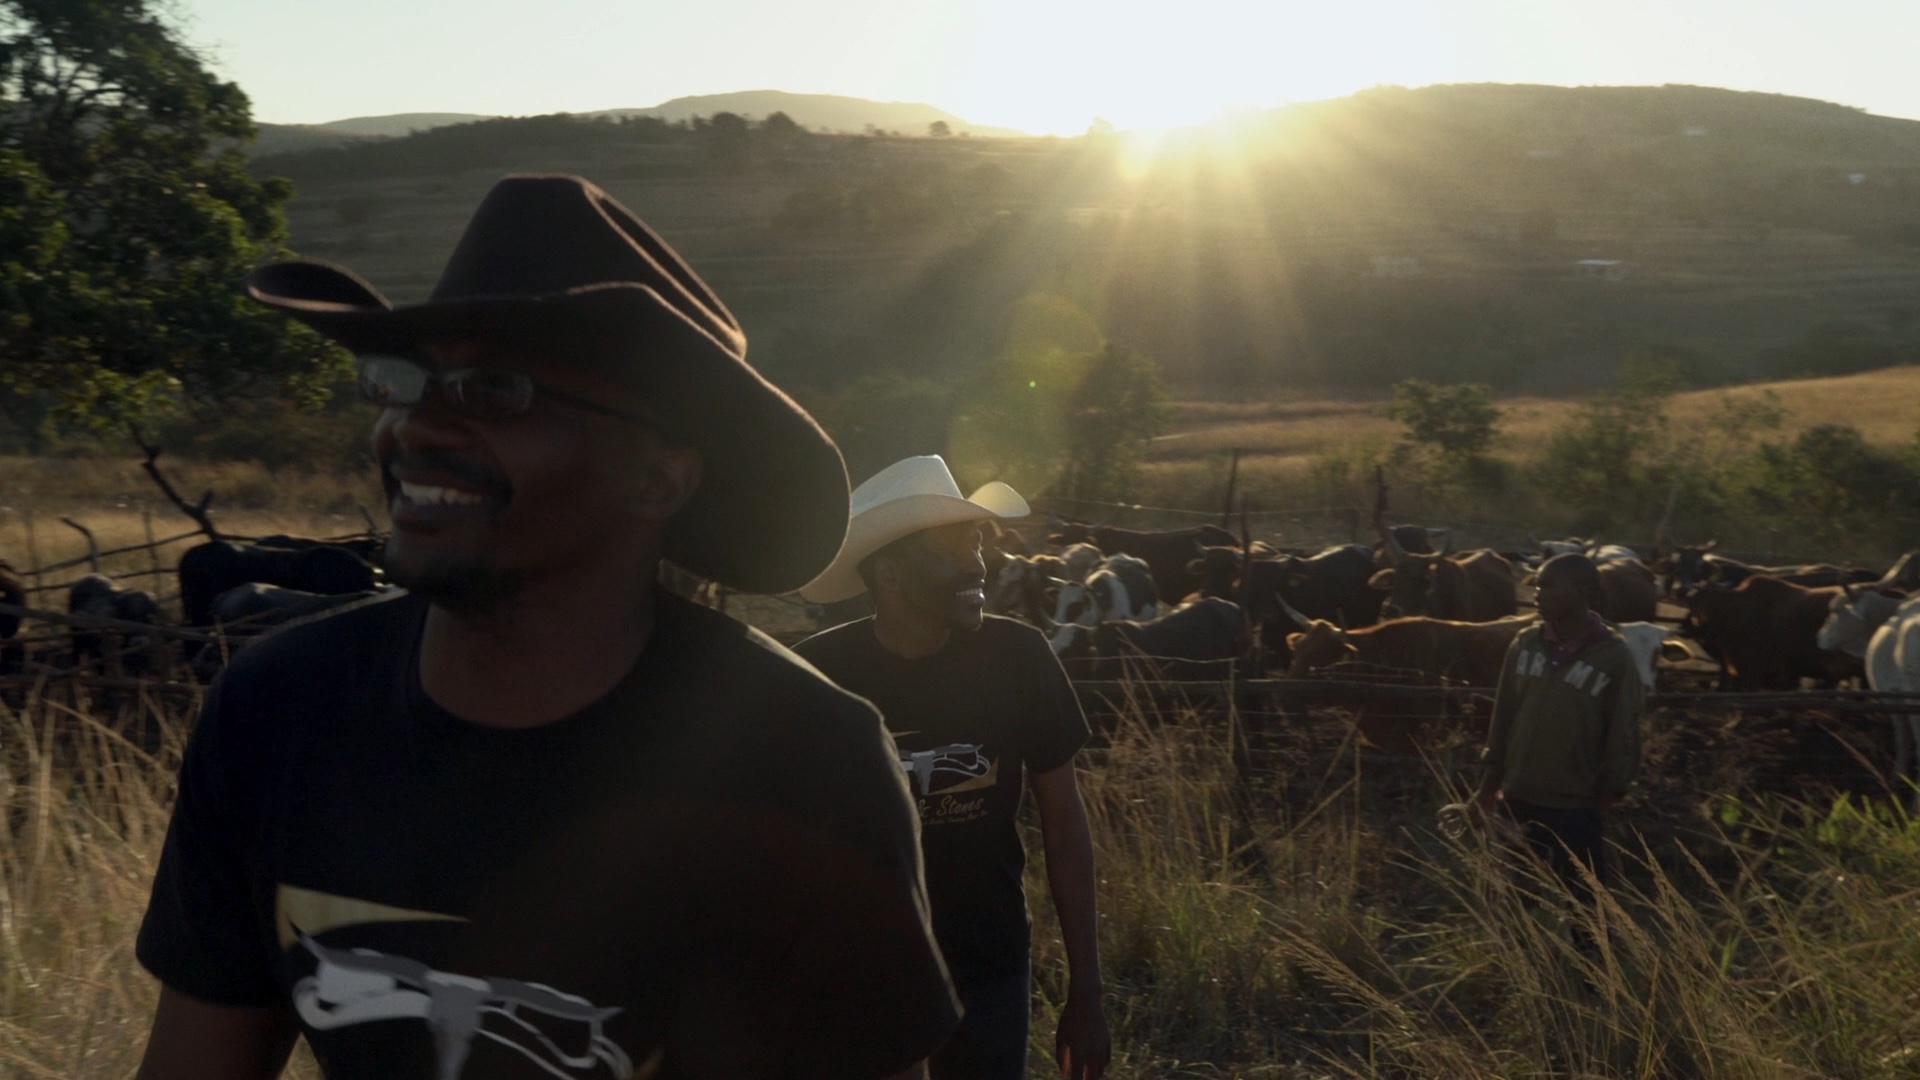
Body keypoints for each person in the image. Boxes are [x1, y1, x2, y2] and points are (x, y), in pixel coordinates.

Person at [134, 174, 958, 1080]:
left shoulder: (807, 762)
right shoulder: (277, 713)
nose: (413, 428)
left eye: (495, 391)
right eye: (405, 381)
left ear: (658, 480)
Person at [794, 456, 1112, 1080]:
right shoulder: (820, 676)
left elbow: (1065, 825)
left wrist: (1088, 993)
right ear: (889, 573)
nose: (978, 565)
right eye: (953, 549)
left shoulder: (1019, 657)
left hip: (988, 959)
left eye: (976, 544)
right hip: (863, 967)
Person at [1476, 552, 1644, 945]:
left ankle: (1594, 987)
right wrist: (1486, 791)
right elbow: (1503, 718)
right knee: (1509, 894)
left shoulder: (1613, 658)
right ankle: (1515, 975)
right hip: (1517, 796)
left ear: (1582, 592)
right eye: (1537, 585)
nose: (1537, 593)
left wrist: (1603, 798)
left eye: (1549, 585)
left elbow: (1624, 733)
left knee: (1586, 904)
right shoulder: (1526, 644)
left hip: (1575, 803)